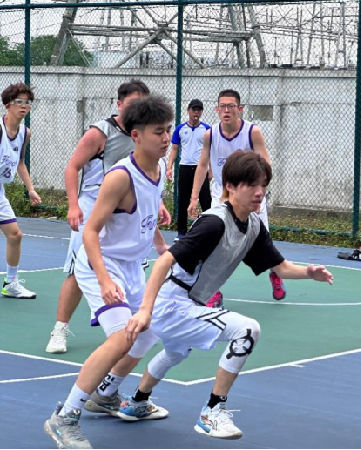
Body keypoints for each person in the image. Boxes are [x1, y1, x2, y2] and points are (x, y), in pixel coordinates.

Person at [119, 150, 334, 440]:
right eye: (252, 185)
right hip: (173, 303)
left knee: (175, 351)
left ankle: (137, 402)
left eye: (264, 185)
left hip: (187, 303)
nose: (260, 192)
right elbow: (164, 261)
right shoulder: (215, 222)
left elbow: (280, 267)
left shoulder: (254, 226)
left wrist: (309, 272)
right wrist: (145, 309)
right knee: (247, 330)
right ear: (230, 186)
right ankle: (212, 412)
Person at [44, 96, 175, 450]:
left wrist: (160, 245)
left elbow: (146, 213)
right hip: (100, 263)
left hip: (131, 266)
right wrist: (104, 280)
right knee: (122, 337)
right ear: (136, 135)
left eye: (168, 130)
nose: (166, 138)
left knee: (149, 331)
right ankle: (65, 417)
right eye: (158, 132)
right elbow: (89, 231)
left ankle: (105, 395)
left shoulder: (160, 167)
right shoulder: (120, 176)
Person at [45, 80, 171, 354]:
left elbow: (146, 190)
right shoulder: (100, 133)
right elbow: (72, 167)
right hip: (92, 209)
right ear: (119, 104)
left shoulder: (154, 152)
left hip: (125, 212)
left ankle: (118, 332)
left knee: (142, 325)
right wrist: (73, 205)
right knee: (78, 271)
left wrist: (157, 215)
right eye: (133, 103)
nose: (164, 136)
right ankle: (60, 328)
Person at [186, 89, 285, 307]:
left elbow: (265, 165)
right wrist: (194, 198)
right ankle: (213, 291)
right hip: (222, 194)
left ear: (239, 109)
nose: (226, 110)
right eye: (222, 106)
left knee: (263, 240)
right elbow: (202, 165)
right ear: (216, 109)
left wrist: (259, 196)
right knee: (215, 242)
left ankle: (275, 273)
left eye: (231, 106)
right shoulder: (210, 134)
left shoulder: (252, 132)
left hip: (249, 193)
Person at [0, 83, 41, 299]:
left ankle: (11, 283)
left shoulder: (25, 133)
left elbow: (20, 163)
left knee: (15, 235)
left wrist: (31, 189)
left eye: (27, 102)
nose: (24, 106)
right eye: (19, 102)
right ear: (8, 105)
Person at [166, 99, 211, 241]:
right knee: (183, 200)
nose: (196, 112)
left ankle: (210, 231)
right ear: (188, 111)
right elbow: (174, 149)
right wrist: (169, 167)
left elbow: (211, 150)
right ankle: (181, 232)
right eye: (193, 109)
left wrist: (211, 170)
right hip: (185, 167)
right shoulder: (180, 129)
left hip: (200, 168)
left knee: (206, 200)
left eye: (199, 110)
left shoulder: (207, 129)